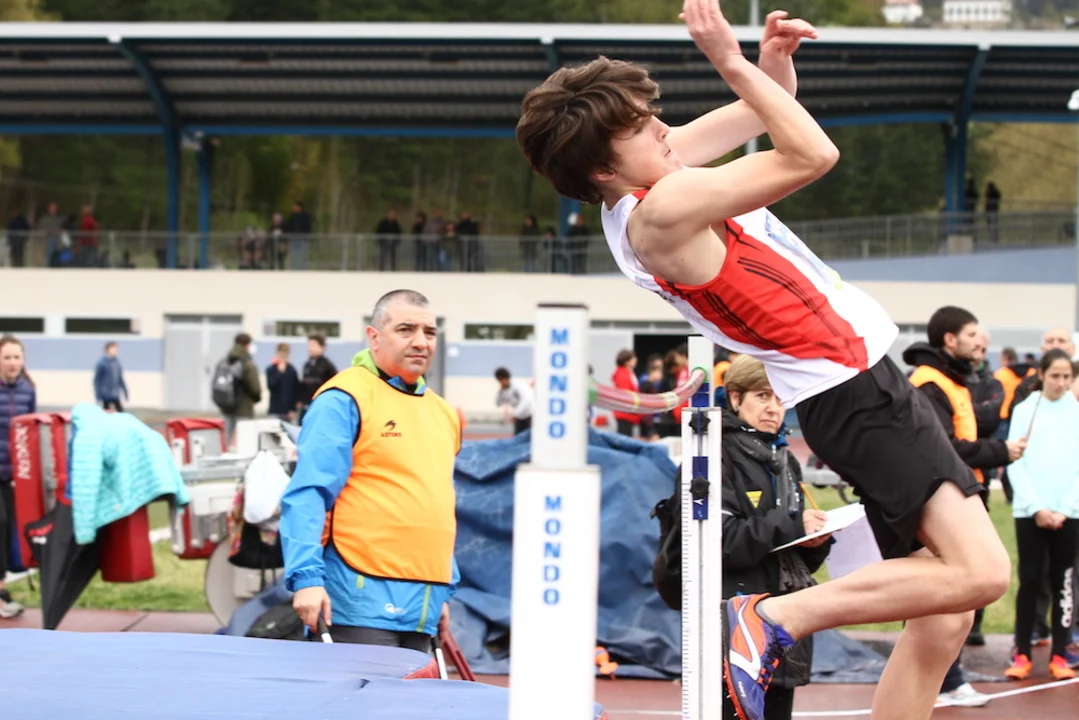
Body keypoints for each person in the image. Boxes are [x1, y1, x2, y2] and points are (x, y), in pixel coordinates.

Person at [515, 3, 1011, 719]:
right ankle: (773, 616)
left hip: (851, 390)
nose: (663, 128)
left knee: (945, 612)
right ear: (602, 166)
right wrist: (728, 60)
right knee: (981, 574)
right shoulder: (663, 208)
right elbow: (812, 155)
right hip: (854, 391)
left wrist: (767, 66)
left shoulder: (644, 186)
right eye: (641, 127)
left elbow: (757, 115)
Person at [279, 290, 461, 649]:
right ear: (374, 337)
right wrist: (306, 578)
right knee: (364, 689)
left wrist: (442, 587)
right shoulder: (343, 398)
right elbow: (308, 493)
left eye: (429, 332)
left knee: (413, 691)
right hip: (357, 598)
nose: (420, 342)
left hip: (423, 600)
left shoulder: (444, 413)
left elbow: (438, 503)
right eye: (406, 330)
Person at [903, 307, 1024, 705]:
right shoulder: (929, 382)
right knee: (941, 591)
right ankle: (944, 680)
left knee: (955, 593)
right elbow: (946, 449)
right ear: (950, 339)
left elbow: (965, 435)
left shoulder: (954, 380)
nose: (980, 340)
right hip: (939, 502)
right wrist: (1000, 451)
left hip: (960, 496)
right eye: (972, 334)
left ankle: (943, 677)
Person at [720, 355, 832, 720]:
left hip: (785, 626)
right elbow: (722, 543)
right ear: (735, 398)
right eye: (762, 396)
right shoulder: (714, 455)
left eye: (780, 398)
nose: (773, 408)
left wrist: (816, 541)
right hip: (736, 627)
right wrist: (793, 525)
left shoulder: (785, 459)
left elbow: (796, 557)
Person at [1003, 348, 1079, 682]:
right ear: (1043, 375)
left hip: (1069, 513)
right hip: (1030, 512)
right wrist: (1036, 507)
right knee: (1030, 580)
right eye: (1055, 376)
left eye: (1067, 377)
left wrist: (1065, 508)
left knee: (1064, 582)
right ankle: (1021, 653)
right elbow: (1015, 461)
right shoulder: (1025, 411)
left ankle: (1060, 654)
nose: (1061, 383)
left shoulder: (1076, 412)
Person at [0, 335, 35, 618]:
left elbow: (30, 431)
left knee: (9, 529)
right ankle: (1, 593)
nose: (13, 363)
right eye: (7, 357)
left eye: (17, 357)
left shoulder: (28, 389)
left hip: (12, 474)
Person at [494, 367, 534, 435]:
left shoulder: (518, 385)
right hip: (519, 417)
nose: (501, 382)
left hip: (530, 415)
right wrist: (500, 392)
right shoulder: (504, 390)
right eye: (499, 381)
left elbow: (527, 400)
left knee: (530, 437)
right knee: (517, 437)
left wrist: (516, 413)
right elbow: (498, 403)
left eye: (502, 380)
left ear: (506, 377)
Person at [266, 343, 299, 422]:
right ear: (277, 355)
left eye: (285, 356)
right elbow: (271, 387)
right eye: (281, 355)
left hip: (287, 411)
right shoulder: (271, 369)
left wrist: (293, 409)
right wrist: (280, 373)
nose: (283, 358)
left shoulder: (292, 370)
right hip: (274, 409)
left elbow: (295, 391)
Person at [611, 349, 641, 437]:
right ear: (627, 361)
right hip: (625, 413)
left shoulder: (628, 373)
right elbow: (625, 394)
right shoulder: (622, 374)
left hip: (628, 412)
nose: (636, 360)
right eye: (633, 358)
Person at [93, 341, 128, 412]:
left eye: (116, 349)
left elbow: (120, 379)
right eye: (113, 349)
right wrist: (98, 396)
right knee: (106, 413)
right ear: (107, 350)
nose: (115, 351)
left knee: (121, 412)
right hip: (105, 395)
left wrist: (125, 391)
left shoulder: (117, 362)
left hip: (115, 394)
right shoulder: (102, 363)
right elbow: (97, 380)